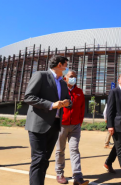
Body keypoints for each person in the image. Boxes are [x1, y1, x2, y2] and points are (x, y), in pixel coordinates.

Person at [24, 55, 72, 185]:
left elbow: (69, 100)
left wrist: (68, 102)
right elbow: (28, 97)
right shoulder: (41, 75)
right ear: (59, 65)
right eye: (66, 65)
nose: (67, 68)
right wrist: (51, 105)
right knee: (38, 159)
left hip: (55, 125)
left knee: (45, 160)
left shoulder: (62, 82)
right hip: (38, 124)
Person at [55, 70, 89, 185]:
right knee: (60, 150)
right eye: (71, 76)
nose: (73, 78)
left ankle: (77, 176)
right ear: (65, 78)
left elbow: (82, 108)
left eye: (75, 76)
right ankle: (59, 173)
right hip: (61, 125)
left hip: (75, 126)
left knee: (74, 150)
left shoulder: (79, 91)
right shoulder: (60, 89)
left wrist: (80, 122)